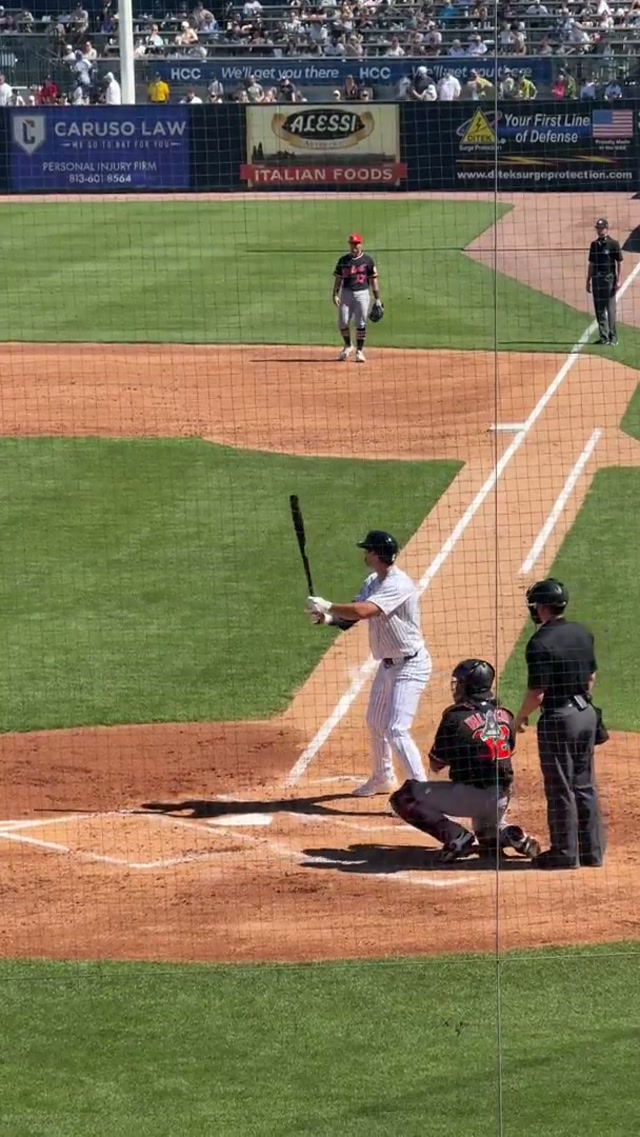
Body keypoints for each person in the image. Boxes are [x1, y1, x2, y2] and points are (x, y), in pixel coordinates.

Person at [305, 530, 431, 796]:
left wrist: (328, 604)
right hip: (387, 665)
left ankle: (422, 793)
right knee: (375, 721)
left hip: (410, 666)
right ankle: (383, 777)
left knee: (396, 729)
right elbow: (352, 616)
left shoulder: (398, 584)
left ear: (377, 554)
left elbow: (364, 611)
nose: (364, 554)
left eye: (368, 550)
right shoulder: (373, 581)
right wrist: (326, 618)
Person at [390, 660, 540, 863]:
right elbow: (508, 750)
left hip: (470, 796)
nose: (457, 687)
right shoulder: (505, 715)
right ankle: (512, 835)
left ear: (469, 686)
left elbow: (436, 764)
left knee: (404, 796)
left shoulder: (455, 717)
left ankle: (456, 836)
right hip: (501, 797)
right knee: (486, 837)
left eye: (460, 683)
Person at [514, 579, 606, 870]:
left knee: (560, 786)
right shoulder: (582, 632)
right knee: (584, 784)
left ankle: (565, 853)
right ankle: (592, 853)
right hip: (586, 714)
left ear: (541, 607)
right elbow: (591, 677)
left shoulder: (539, 642)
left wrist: (520, 717)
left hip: (560, 720)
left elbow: (537, 693)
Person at [332, 233, 382, 363]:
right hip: (346, 293)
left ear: (360, 244)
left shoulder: (368, 260)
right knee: (343, 322)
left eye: (356, 244)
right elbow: (338, 279)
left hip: (362, 294)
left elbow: (373, 279)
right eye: (352, 244)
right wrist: (335, 294)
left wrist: (377, 298)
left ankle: (359, 351)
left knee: (360, 323)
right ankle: (348, 345)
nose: (354, 246)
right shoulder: (343, 260)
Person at [587, 218, 622, 345]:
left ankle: (613, 337)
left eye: (601, 228)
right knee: (599, 308)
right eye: (598, 228)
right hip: (597, 278)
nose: (599, 230)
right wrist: (588, 280)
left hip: (609, 278)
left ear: (606, 228)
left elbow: (619, 262)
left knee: (610, 308)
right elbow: (591, 264)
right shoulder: (594, 245)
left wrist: (618, 280)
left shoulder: (614, 244)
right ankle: (604, 337)